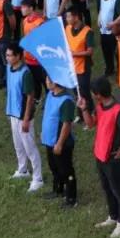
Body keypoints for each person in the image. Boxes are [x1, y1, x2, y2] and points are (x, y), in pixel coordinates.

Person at [77, 77, 120, 238]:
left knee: (118, 191)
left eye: (93, 93)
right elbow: (91, 124)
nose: (92, 95)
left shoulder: (119, 111)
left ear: (98, 94)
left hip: (112, 159)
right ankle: (113, 216)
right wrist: (84, 109)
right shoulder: (100, 107)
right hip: (100, 155)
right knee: (107, 188)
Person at [3, 45, 44, 191]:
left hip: (23, 116)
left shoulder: (25, 74)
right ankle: (23, 170)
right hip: (13, 113)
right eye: (6, 55)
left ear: (18, 56)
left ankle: (38, 178)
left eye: (10, 55)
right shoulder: (9, 68)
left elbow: (30, 98)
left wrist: (26, 119)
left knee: (30, 147)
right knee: (18, 145)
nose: (7, 58)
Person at [41, 76, 78, 208]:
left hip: (61, 143)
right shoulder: (50, 94)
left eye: (48, 79)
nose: (46, 81)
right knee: (54, 167)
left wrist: (60, 143)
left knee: (66, 170)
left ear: (56, 82)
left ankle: (71, 198)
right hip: (50, 141)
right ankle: (58, 189)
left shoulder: (66, 101)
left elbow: (66, 124)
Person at [97, 0, 120, 77]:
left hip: (113, 31)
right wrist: (98, 19)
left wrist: (113, 23)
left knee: (116, 52)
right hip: (103, 30)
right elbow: (101, 9)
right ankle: (109, 68)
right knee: (106, 51)